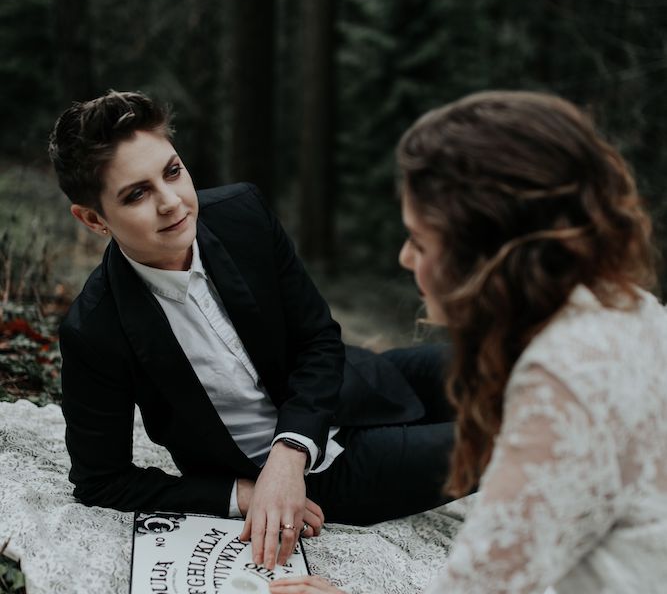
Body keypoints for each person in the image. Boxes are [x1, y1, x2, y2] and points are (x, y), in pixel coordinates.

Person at [213, 90, 667, 594]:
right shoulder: (617, 306)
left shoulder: (562, 385)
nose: (403, 259)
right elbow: (521, 547)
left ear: (488, 257)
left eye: (418, 241)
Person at [49, 90, 456, 569]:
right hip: (331, 473)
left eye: (173, 171)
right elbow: (101, 480)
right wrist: (242, 494)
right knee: (521, 436)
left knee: (513, 364)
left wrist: (289, 450)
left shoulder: (242, 213)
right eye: (137, 194)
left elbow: (318, 338)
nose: (171, 201)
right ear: (94, 219)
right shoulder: (94, 329)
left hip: (354, 383)